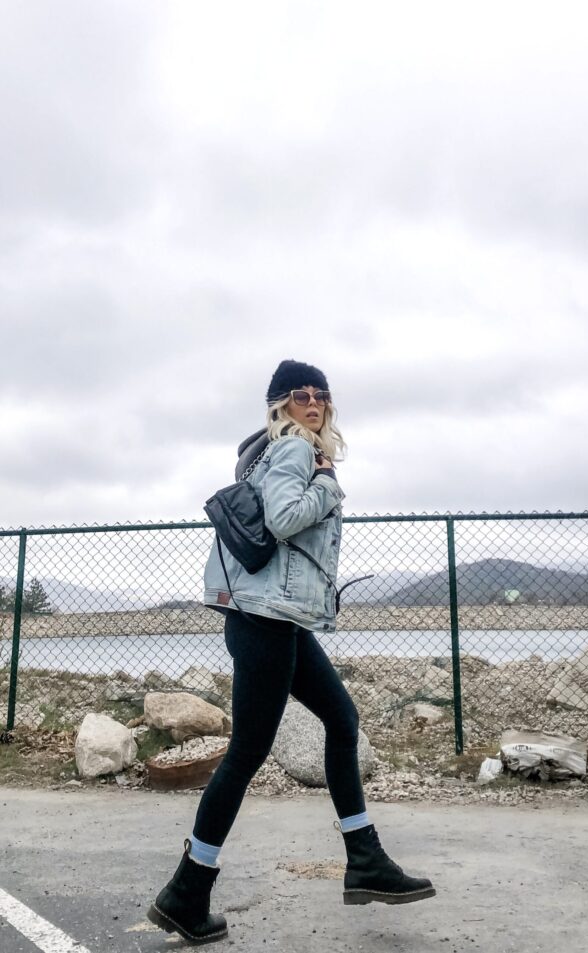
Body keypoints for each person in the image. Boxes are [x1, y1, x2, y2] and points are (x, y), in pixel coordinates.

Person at [148, 359, 435, 945]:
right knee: (247, 754)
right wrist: (327, 485)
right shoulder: (296, 451)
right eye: (300, 395)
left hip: (277, 620)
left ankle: (364, 858)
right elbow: (281, 518)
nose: (313, 402)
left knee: (341, 719)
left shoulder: (277, 453)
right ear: (280, 406)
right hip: (266, 621)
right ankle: (187, 891)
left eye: (321, 395)